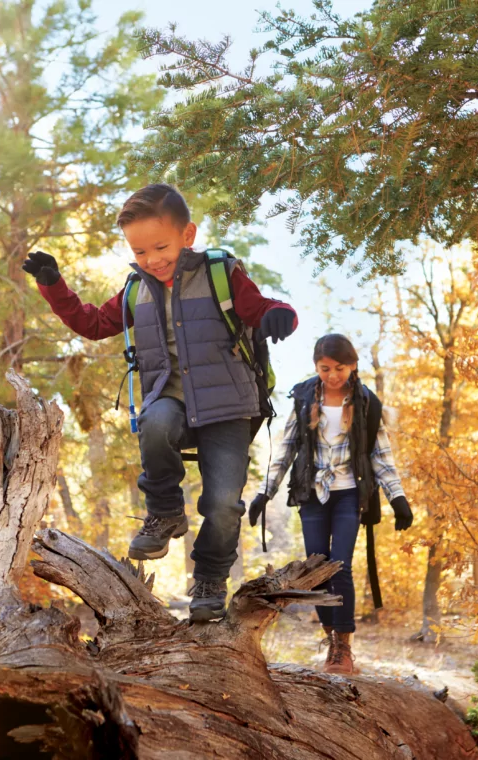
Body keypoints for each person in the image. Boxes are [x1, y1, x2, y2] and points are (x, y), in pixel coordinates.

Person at [23, 184, 297, 622]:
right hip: (171, 396)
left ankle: (209, 581)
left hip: (228, 406)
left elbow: (261, 307)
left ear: (188, 235)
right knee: (153, 420)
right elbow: (93, 323)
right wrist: (55, 286)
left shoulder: (220, 273)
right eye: (140, 250)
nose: (152, 258)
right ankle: (166, 512)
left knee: (224, 504)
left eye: (160, 246)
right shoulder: (137, 289)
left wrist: (280, 315)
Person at [249, 334, 413, 674]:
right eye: (325, 368)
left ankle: (343, 646)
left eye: (340, 367)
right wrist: (265, 492)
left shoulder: (366, 402)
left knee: (340, 567)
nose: (333, 375)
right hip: (312, 494)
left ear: (352, 365)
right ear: (316, 367)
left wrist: (398, 498)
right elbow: (287, 449)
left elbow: (381, 456)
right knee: (317, 570)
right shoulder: (304, 396)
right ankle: (330, 641)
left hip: (349, 492)